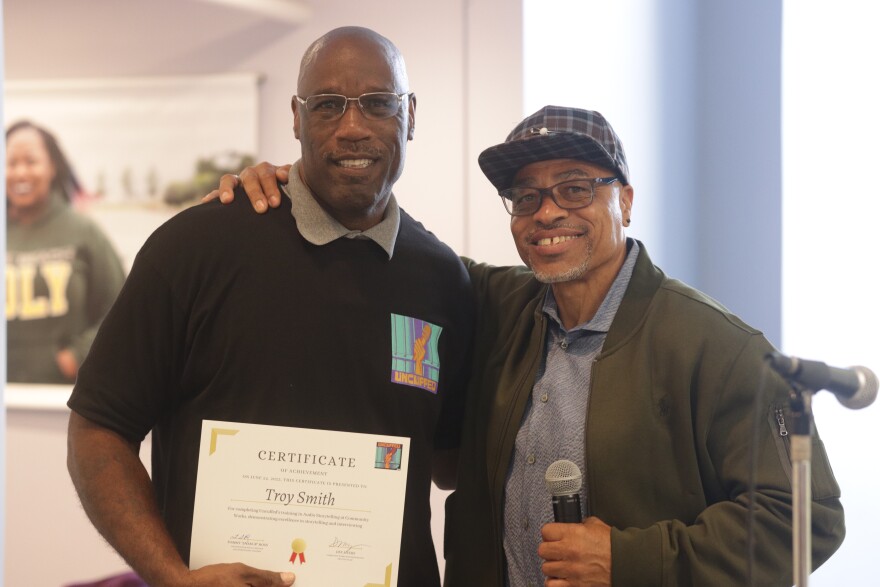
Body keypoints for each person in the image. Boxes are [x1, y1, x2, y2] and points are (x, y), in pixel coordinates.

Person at [214, 106, 845, 586]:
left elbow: (806, 522)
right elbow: (388, 259)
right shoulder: (491, 305)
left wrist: (627, 559)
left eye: (575, 188)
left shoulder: (721, 349)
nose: (546, 212)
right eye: (526, 195)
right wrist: (302, 188)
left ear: (624, 199)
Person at [66, 26, 473, 587]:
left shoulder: (443, 279)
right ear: (296, 117)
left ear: (410, 114)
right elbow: (98, 430)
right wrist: (171, 577)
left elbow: (450, 461)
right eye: (328, 106)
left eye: (378, 104)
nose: (353, 128)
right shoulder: (196, 248)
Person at [6, 120, 126, 383]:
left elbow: (123, 307)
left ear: (52, 167)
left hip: (65, 400)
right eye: (11, 163)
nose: (20, 173)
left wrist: (78, 355)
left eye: (31, 161)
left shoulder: (83, 231)